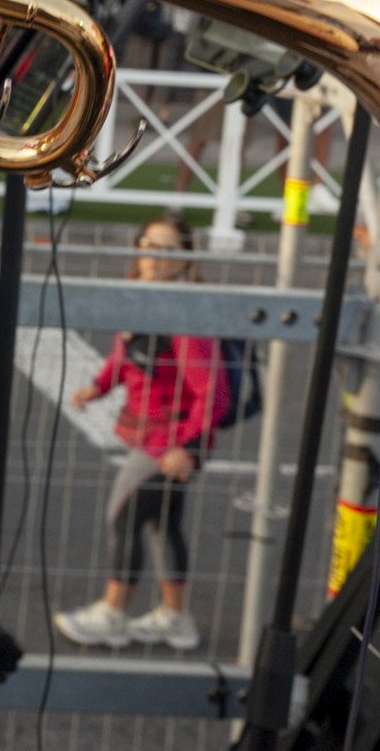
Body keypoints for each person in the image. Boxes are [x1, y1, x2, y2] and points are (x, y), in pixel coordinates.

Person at [56, 212, 224, 654]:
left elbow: (213, 393)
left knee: (124, 516)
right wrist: (99, 386)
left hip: (169, 444)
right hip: (154, 436)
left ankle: (113, 613)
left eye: (167, 250)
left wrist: (187, 446)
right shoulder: (145, 298)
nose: (154, 257)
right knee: (161, 525)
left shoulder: (186, 314)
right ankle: (176, 619)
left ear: (186, 260)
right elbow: (125, 354)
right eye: (148, 246)